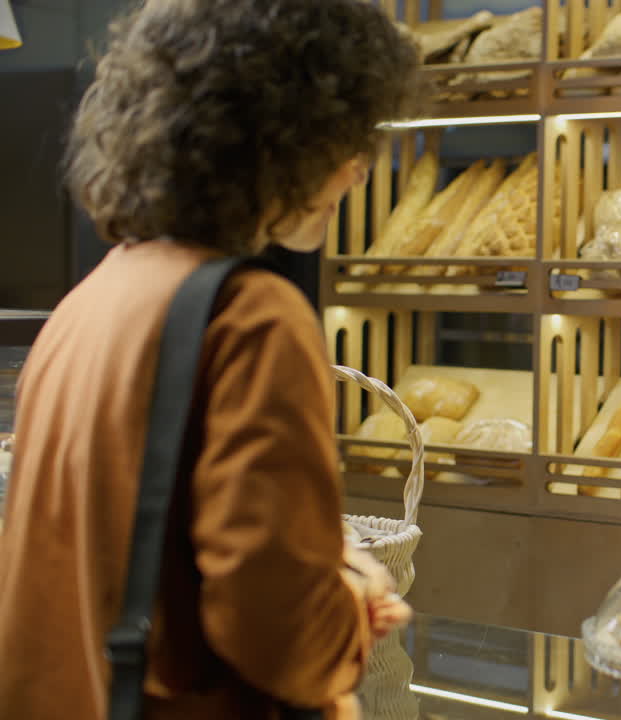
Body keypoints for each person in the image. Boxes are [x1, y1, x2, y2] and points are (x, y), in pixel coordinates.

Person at [0, 1, 419, 718]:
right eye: (341, 139)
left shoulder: (90, 303)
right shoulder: (251, 317)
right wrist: (351, 604)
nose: (355, 172)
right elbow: (279, 639)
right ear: (273, 138)